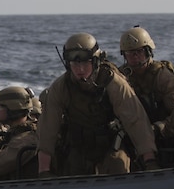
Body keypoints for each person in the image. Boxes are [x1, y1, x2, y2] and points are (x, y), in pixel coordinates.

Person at [37, 33, 158, 177]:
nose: (80, 69)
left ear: (95, 61)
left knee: (118, 168)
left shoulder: (113, 83)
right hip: (78, 146)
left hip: (111, 145)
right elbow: (47, 128)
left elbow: (136, 120)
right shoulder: (61, 87)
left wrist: (149, 160)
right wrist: (44, 170)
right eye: (75, 64)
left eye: (85, 63)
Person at [118, 26, 174, 167]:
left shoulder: (163, 77)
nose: (135, 57)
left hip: (165, 137)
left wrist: (159, 128)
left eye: (139, 52)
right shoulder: (121, 77)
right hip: (134, 139)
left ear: (148, 52)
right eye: (130, 54)